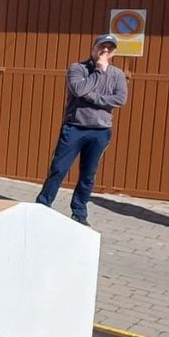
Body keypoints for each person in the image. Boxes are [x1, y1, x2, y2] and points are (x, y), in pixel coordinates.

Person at [34, 33, 128, 225]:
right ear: (93, 48)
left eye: (109, 48)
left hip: (100, 131)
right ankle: (43, 205)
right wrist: (98, 71)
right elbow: (78, 90)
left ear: (113, 52)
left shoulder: (117, 75)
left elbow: (120, 99)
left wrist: (92, 97)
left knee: (88, 174)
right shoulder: (77, 68)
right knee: (58, 168)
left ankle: (79, 212)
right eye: (102, 46)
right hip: (74, 128)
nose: (105, 50)